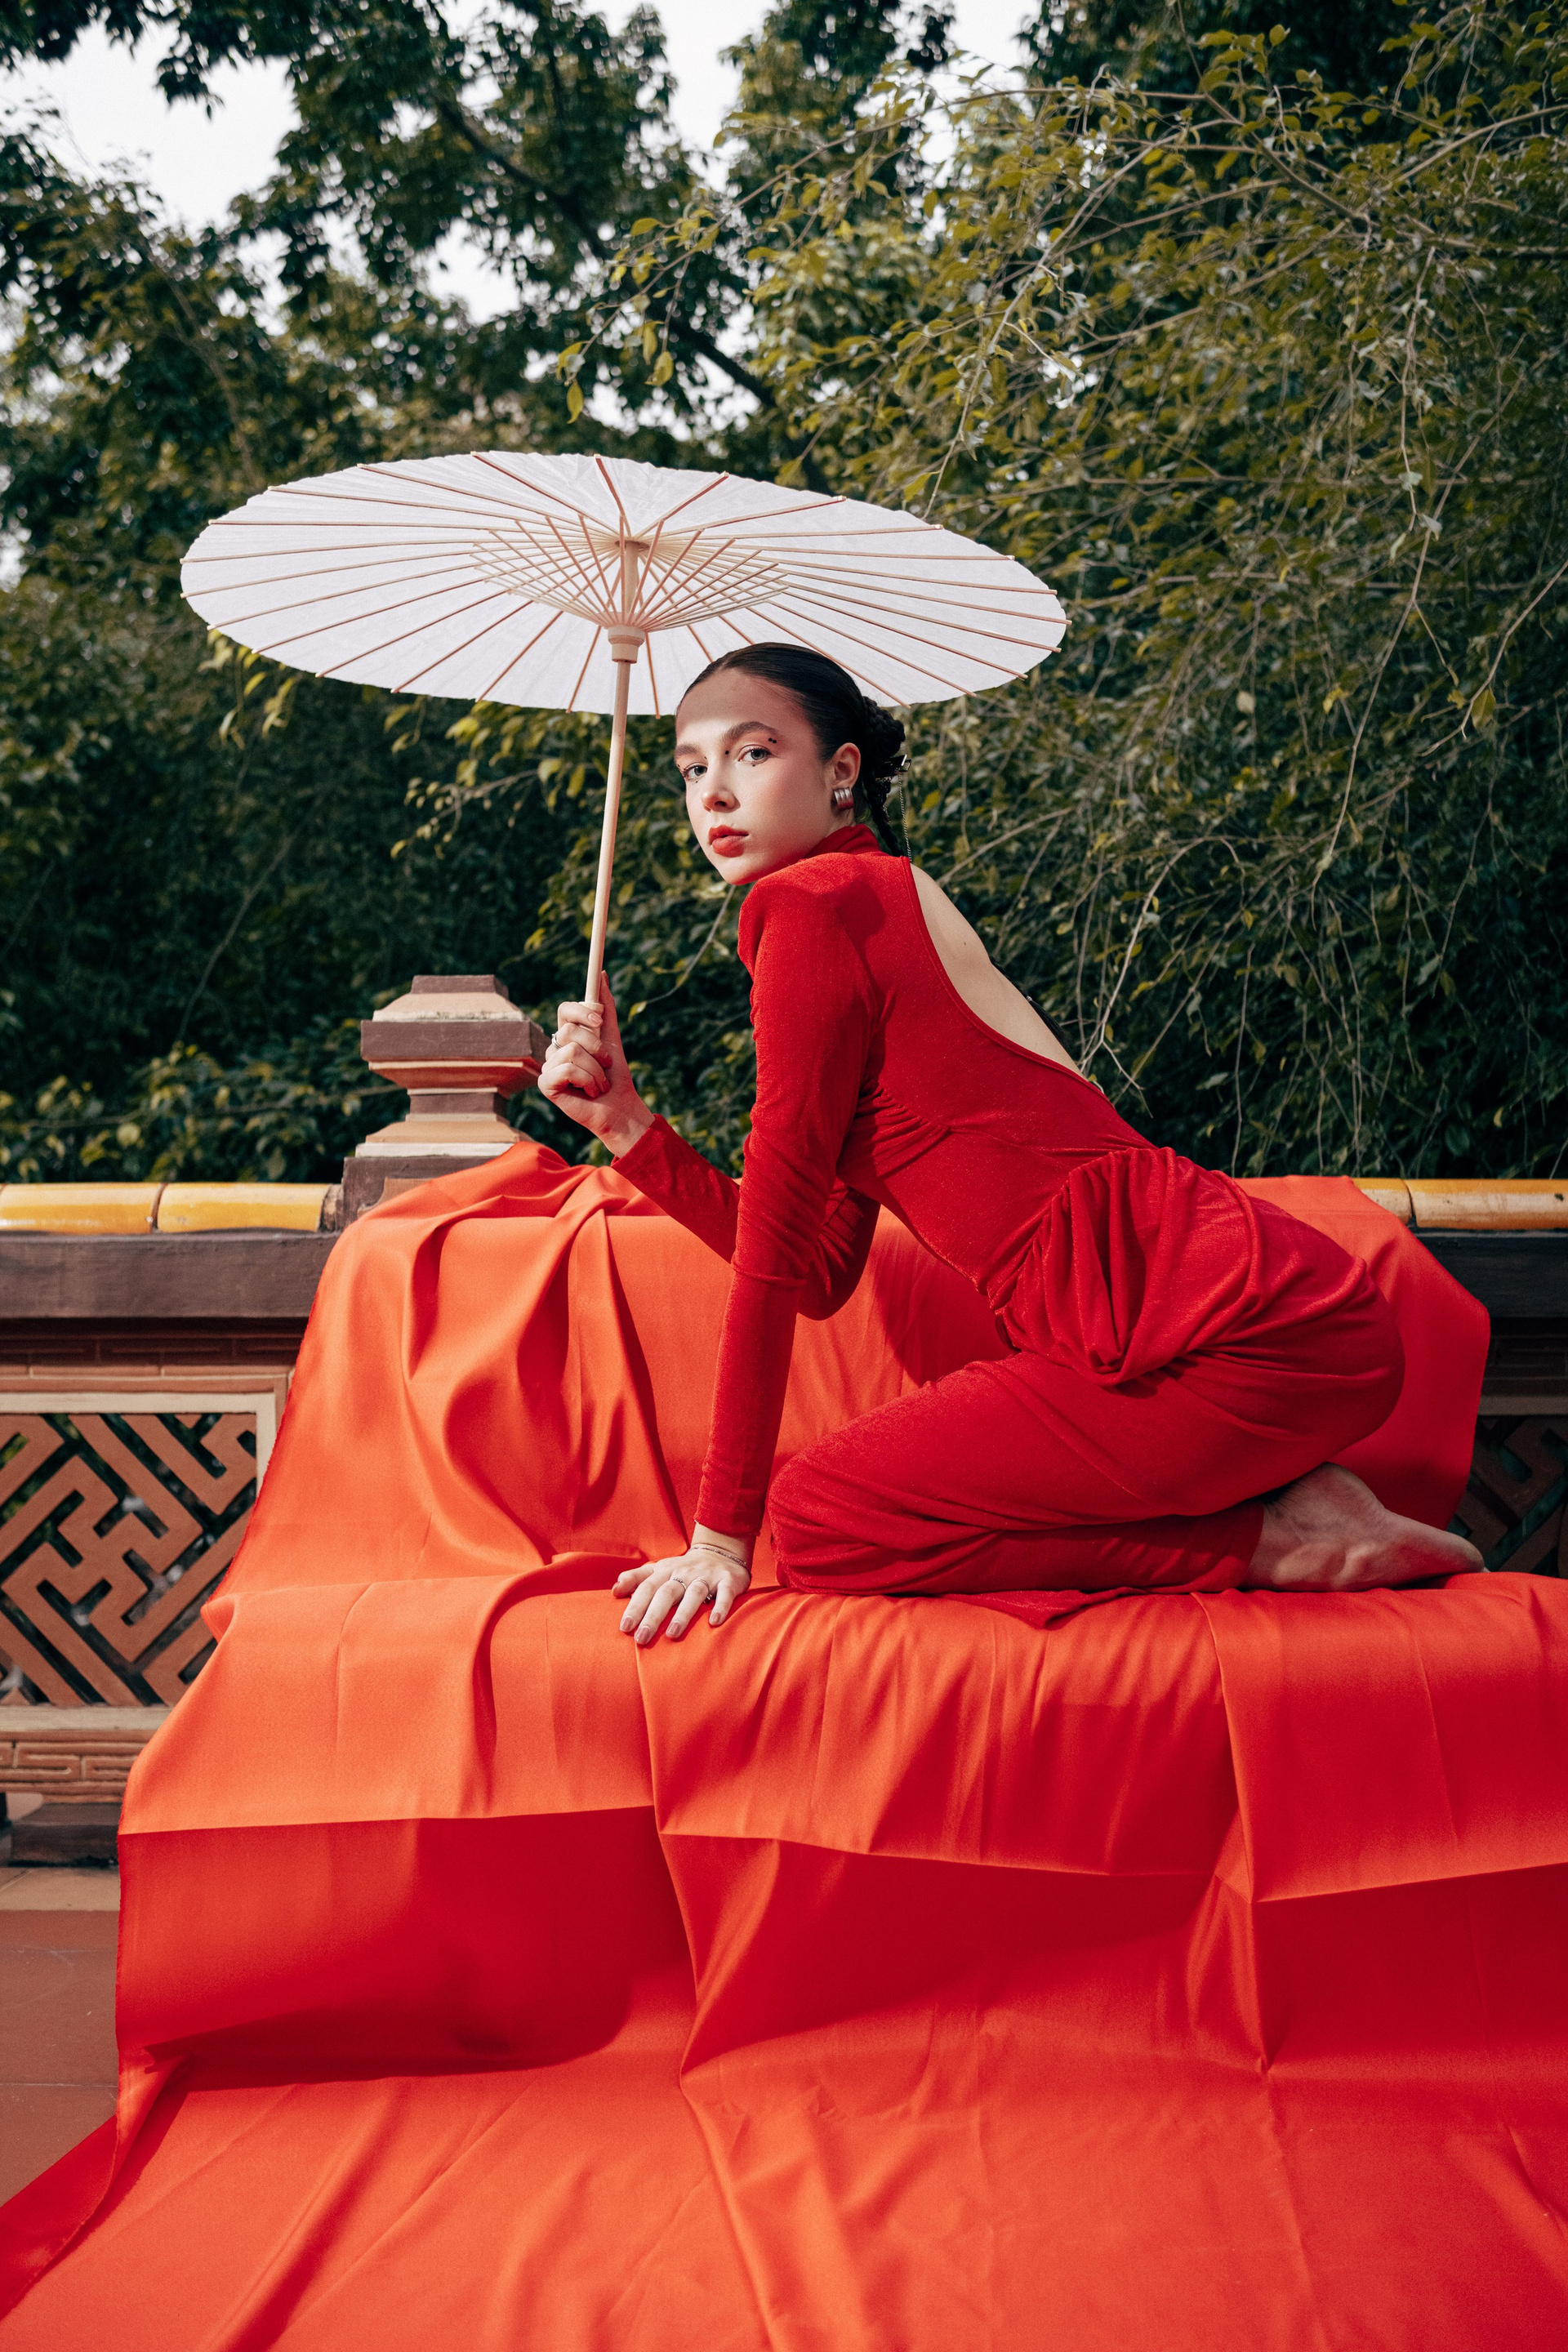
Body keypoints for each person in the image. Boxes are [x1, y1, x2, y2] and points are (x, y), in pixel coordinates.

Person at [538, 644, 1481, 1647]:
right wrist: (627, 1128)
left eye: (753, 753)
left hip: (1219, 1337)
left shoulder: (808, 910)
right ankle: (1289, 1513)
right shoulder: (874, 895)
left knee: (817, 1518)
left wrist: (720, 1539)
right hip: (1273, 1320)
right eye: (691, 769)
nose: (714, 795)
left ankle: (1278, 1541)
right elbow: (815, 1270)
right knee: (829, 1514)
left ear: (842, 769)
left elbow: (771, 1259)